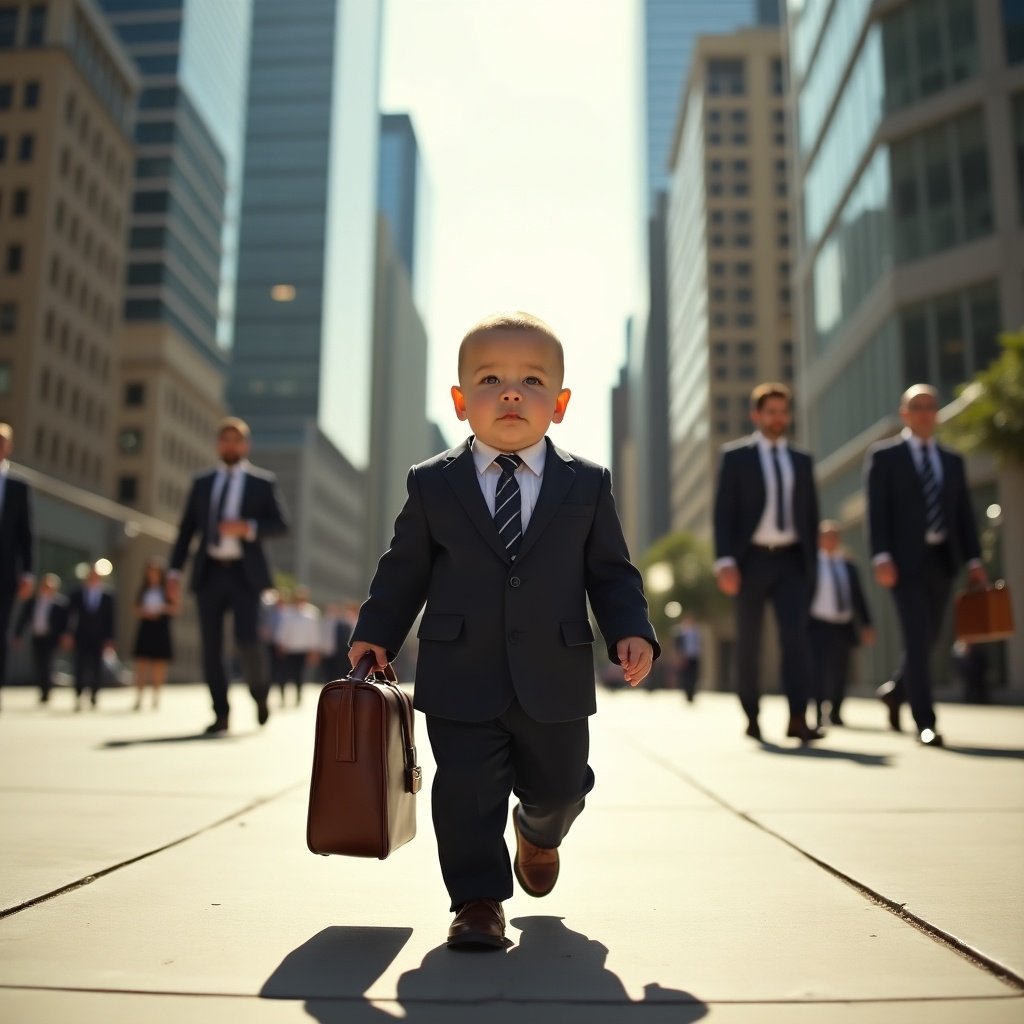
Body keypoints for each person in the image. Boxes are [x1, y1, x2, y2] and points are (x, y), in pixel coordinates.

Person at [349, 311, 659, 951]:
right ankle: (477, 901)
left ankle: (539, 833)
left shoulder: (587, 483)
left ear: (562, 404)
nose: (511, 392)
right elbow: (403, 568)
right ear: (461, 402)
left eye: (532, 381)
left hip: (556, 668)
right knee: (464, 792)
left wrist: (632, 630)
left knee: (562, 785)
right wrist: (376, 630)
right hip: (460, 667)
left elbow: (612, 572)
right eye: (490, 379)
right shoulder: (433, 482)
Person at [866, 384, 986, 747]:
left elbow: (963, 515)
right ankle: (925, 720)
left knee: (929, 638)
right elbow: (877, 512)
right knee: (918, 636)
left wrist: (974, 560)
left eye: (931, 406)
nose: (925, 413)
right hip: (904, 564)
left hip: (941, 560)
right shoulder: (885, 457)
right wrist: (881, 555)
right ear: (904, 413)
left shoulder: (951, 461)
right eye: (917, 406)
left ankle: (896, 691)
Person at [712, 382, 822, 743]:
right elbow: (723, 514)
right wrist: (725, 561)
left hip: (791, 561)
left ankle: (797, 718)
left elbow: (810, 516)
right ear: (756, 415)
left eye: (782, 412)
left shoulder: (802, 461)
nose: (778, 419)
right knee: (750, 643)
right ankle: (752, 715)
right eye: (770, 412)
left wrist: (813, 565)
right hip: (750, 562)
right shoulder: (736, 457)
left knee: (797, 641)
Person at [167, 417, 289, 734]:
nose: (230, 445)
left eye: (236, 440)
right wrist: (174, 571)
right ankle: (221, 714)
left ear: (245, 445)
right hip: (209, 574)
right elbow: (186, 531)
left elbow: (280, 525)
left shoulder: (262, 482)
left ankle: (260, 695)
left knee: (248, 641)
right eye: (224, 440)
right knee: (211, 647)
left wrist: (247, 527)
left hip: (245, 576)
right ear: (217, 444)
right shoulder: (202, 483)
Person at [808, 521, 874, 728]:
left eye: (834, 536)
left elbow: (859, 597)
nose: (830, 540)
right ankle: (819, 711)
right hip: (818, 624)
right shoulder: (811, 564)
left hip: (842, 625)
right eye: (826, 536)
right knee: (818, 670)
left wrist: (867, 623)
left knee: (840, 670)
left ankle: (836, 711)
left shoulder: (848, 565)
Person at [0, 423, 35, 709]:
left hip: (5, 572)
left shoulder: (17, 485)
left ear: (8, 447)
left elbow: (27, 534)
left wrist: (27, 572)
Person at [62, 562, 116, 711]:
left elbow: (110, 619)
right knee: (79, 666)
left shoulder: (107, 596)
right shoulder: (77, 593)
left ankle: (94, 695)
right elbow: (70, 616)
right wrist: (67, 634)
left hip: (99, 638)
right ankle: (78, 694)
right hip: (81, 636)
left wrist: (110, 638)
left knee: (97, 667)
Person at [131, 557, 178, 711]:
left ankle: (156, 697)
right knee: (141, 664)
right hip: (146, 627)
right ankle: (139, 697)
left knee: (159, 665)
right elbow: (136, 608)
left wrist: (162, 608)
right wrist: (145, 612)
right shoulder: (143, 590)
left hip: (161, 628)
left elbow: (175, 608)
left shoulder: (165, 591)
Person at [14, 574, 68, 704]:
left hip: (50, 638)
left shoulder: (59, 603)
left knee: (47, 664)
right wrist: (18, 634)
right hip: (37, 637)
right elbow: (23, 619)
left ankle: (46, 691)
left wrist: (64, 636)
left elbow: (64, 623)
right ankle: (42, 689)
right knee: (38, 663)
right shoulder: (33, 601)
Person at [274, 584, 320, 704]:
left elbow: (313, 633)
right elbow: (283, 629)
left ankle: (298, 697)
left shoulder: (311, 613)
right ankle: (282, 697)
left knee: (299, 674)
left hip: (302, 649)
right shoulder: (287, 613)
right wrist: (280, 644)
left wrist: (313, 649)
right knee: (283, 674)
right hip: (288, 648)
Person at [672, 613, 702, 703]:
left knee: (694, 676)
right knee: (686, 677)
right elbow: (677, 647)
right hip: (685, 658)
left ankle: (692, 694)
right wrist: (679, 657)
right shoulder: (680, 633)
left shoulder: (696, 632)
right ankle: (687, 694)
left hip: (694, 657)